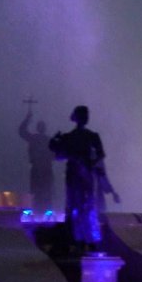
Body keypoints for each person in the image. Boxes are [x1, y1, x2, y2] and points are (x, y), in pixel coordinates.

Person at [48, 106, 107, 253]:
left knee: (82, 206)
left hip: (81, 175)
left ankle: (83, 239)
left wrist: (89, 164)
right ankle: (81, 239)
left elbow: (100, 154)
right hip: (77, 175)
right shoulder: (77, 136)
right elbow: (56, 151)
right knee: (78, 206)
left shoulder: (84, 136)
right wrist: (88, 164)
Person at [18, 112, 54, 212]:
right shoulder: (47, 140)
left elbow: (22, 131)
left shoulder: (35, 139)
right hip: (43, 168)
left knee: (39, 190)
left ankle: (40, 210)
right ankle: (43, 210)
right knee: (43, 190)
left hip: (40, 168)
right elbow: (22, 131)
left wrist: (27, 119)